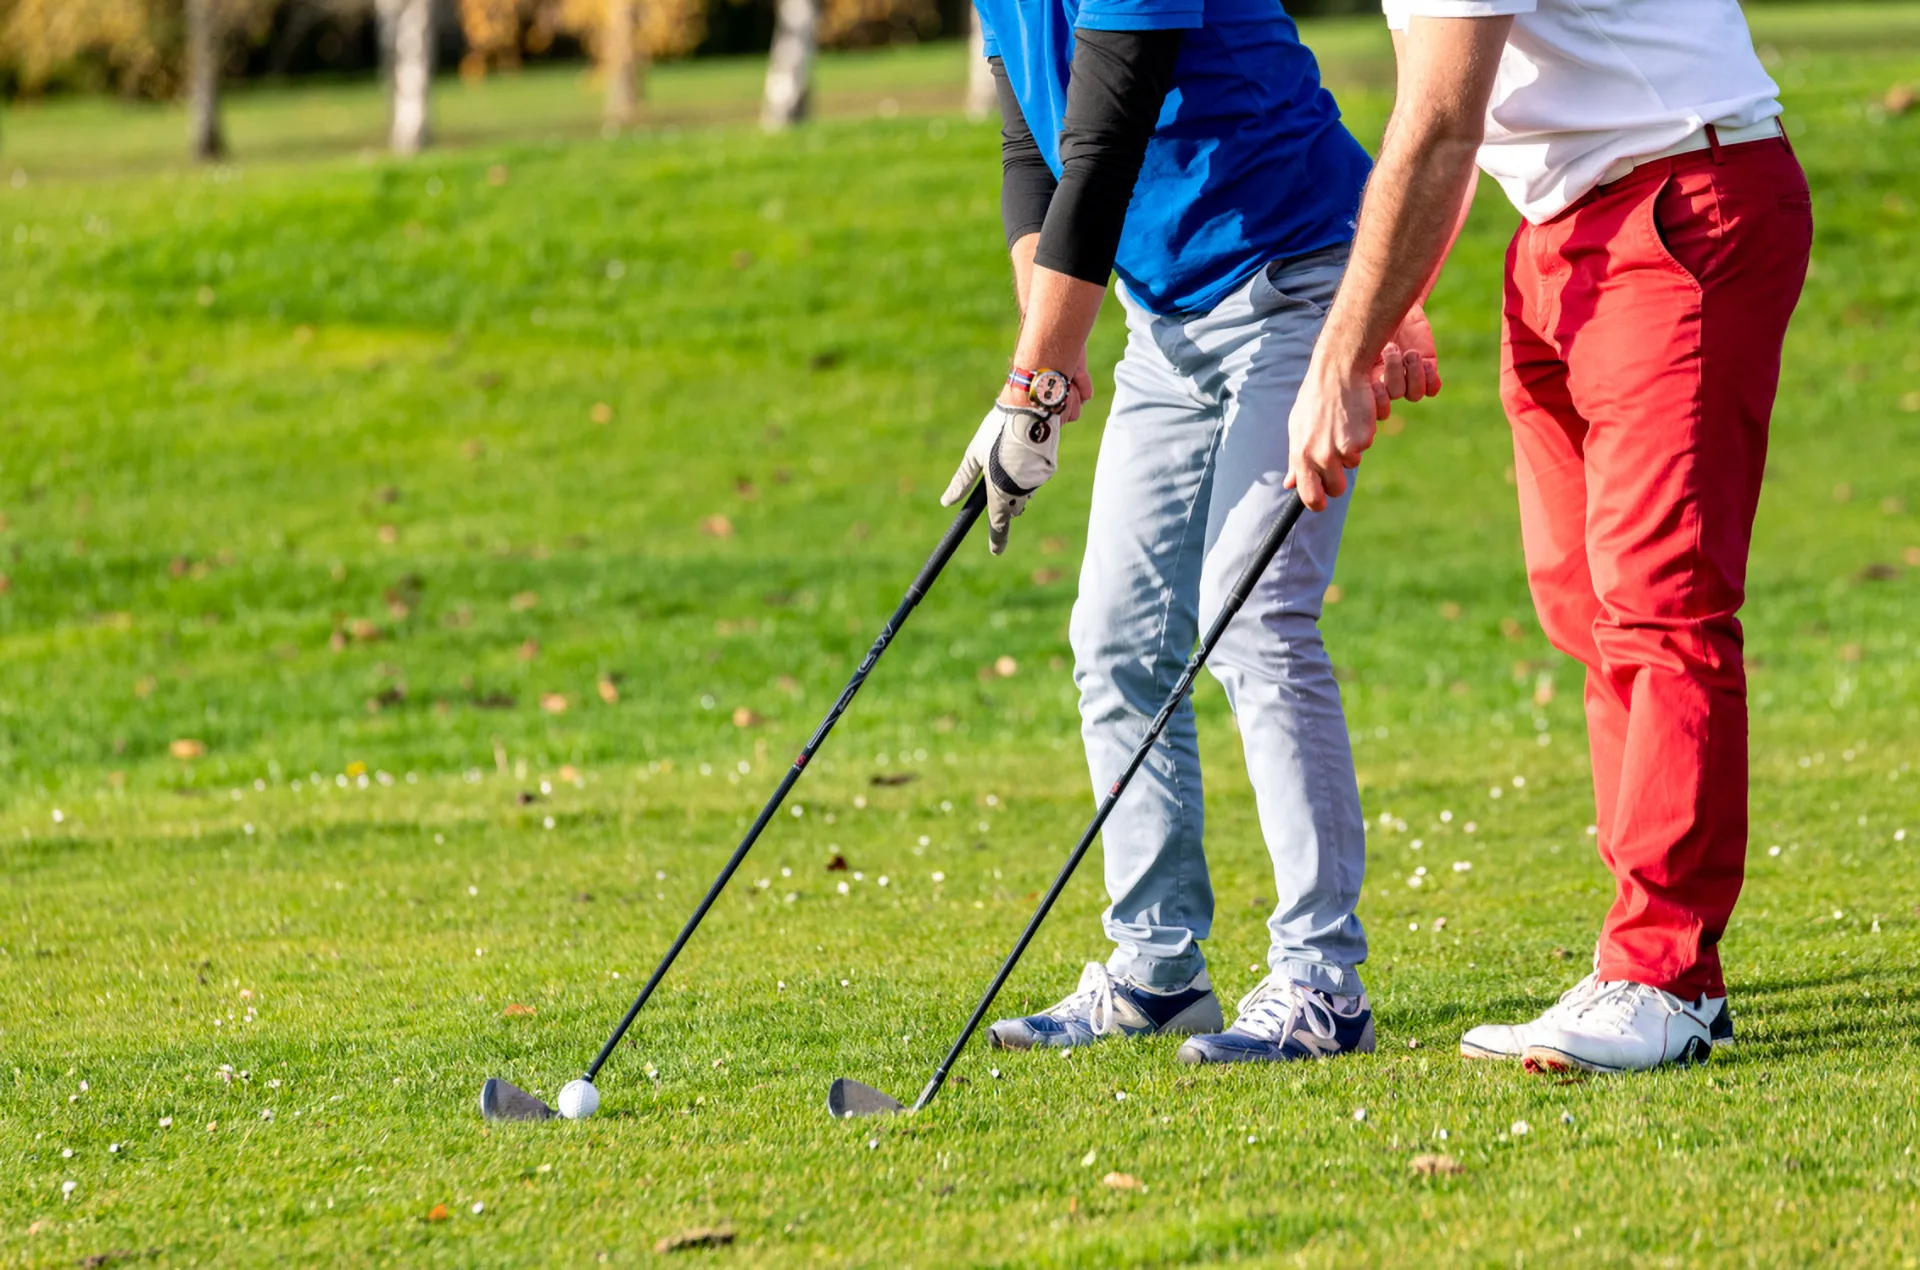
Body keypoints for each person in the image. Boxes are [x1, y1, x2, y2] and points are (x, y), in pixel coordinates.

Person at [1285, 0, 1811, 1073]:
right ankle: (1651, 965)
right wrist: (1389, 309)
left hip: (1679, 196)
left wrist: (1341, 354)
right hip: (1565, 228)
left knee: (1662, 601)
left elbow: (1441, 123)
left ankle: (1662, 973)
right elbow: (1429, 107)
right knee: (1583, 600)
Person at [943, 0, 1428, 1066]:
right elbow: (1036, 143)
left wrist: (1029, 388)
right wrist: (1048, 360)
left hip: (1303, 284)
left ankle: (1321, 980)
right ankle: (1157, 969)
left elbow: (1107, 143)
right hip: (1166, 327)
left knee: (1255, 619)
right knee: (1116, 635)